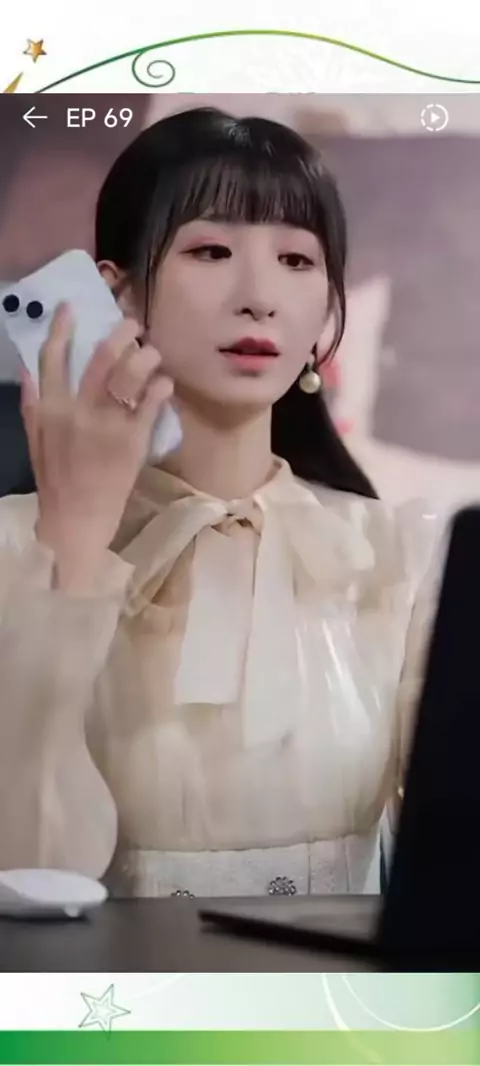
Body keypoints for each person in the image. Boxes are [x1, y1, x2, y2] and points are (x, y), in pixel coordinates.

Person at [0, 107, 442, 897]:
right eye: (211, 250)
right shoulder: (15, 546)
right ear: (119, 294)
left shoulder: (397, 556)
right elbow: (30, 876)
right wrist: (74, 546)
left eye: (296, 260)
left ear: (326, 311)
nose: (259, 297)